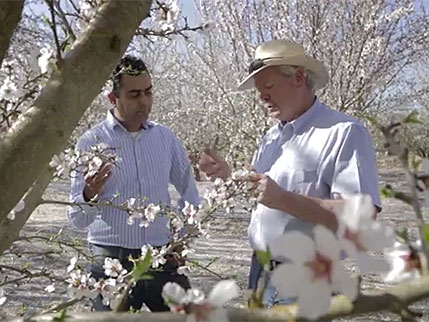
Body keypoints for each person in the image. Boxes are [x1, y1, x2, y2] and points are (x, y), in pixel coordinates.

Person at [199, 40, 381, 305]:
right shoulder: (272, 136)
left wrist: (283, 199)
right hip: (259, 271)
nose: (262, 97)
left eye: (269, 87)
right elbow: (262, 191)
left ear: (298, 77)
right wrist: (228, 176)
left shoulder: (344, 133)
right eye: (259, 90)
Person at [67, 55, 200, 311]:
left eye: (148, 92)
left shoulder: (164, 137)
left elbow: (189, 190)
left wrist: (181, 239)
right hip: (110, 260)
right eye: (134, 94)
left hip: (161, 257)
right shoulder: (90, 142)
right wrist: (90, 193)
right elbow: (77, 219)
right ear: (113, 98)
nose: (144, 101)